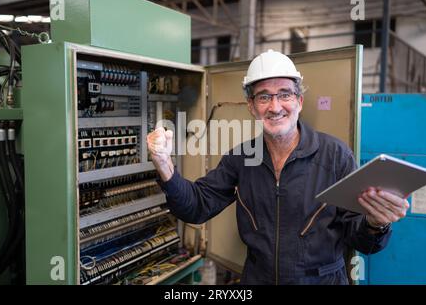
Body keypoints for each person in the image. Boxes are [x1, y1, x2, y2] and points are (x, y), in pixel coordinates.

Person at [146, 49, 409, 285]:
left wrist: (376, 224)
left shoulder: (335, 155)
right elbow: (196, 206)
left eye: (284, 94)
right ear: (251, 107)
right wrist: (164, 164)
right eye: (263, 97)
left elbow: (361, 239)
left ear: (299, 101)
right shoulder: (241, 158)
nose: (275, 107)